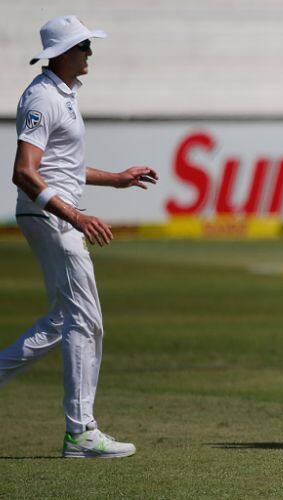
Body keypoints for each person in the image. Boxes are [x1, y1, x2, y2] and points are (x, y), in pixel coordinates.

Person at [0, 15, 159, 458]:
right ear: (61, 53)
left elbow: (64, 166)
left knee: (61, 322)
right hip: (51, 218)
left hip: (54, 215)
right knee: (86, 319)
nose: (90, 52)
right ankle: (81, 432)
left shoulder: (64, 94)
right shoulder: (42, 97)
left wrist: (117, 179)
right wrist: (74, 217)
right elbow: (24, 172)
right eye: (83, 46)